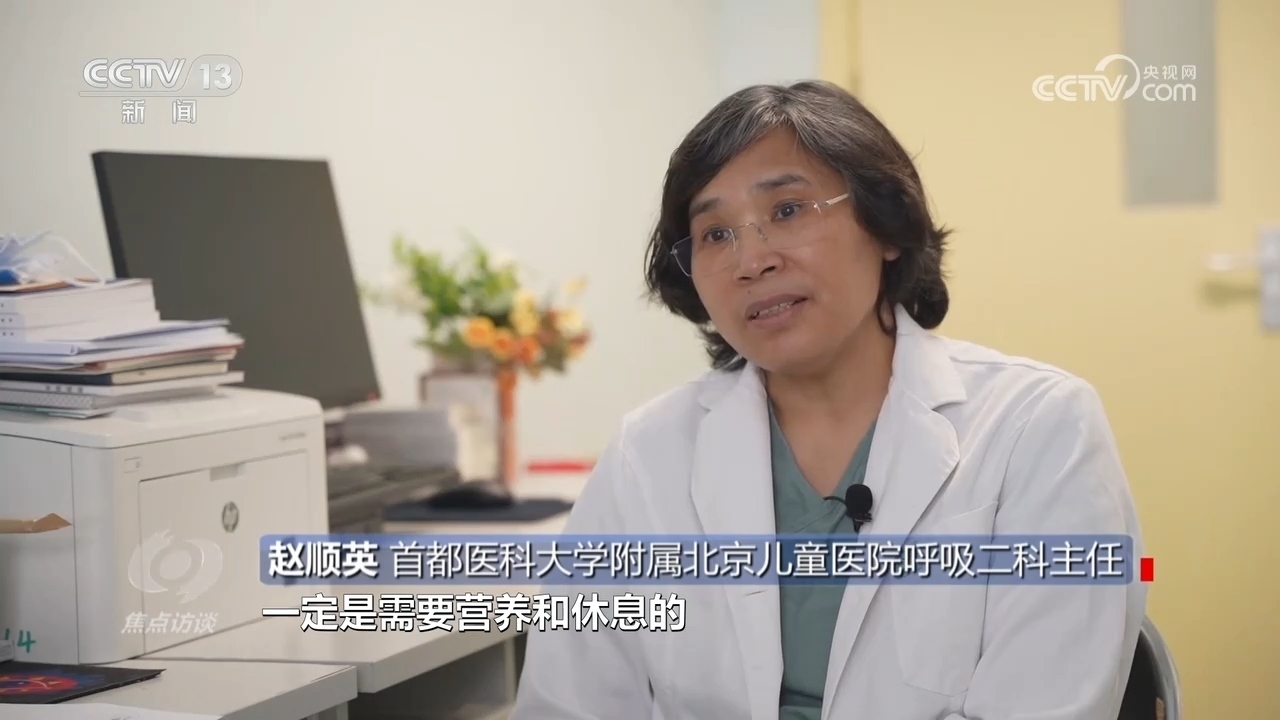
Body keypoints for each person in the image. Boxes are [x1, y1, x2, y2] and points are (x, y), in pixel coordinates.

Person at [511, 80, 1147, 720]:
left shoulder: (1037, 427)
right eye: (715, 234)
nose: (751, 260)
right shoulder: (646, 454)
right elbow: (568, 702)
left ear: (886, 226)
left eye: (788, 210)